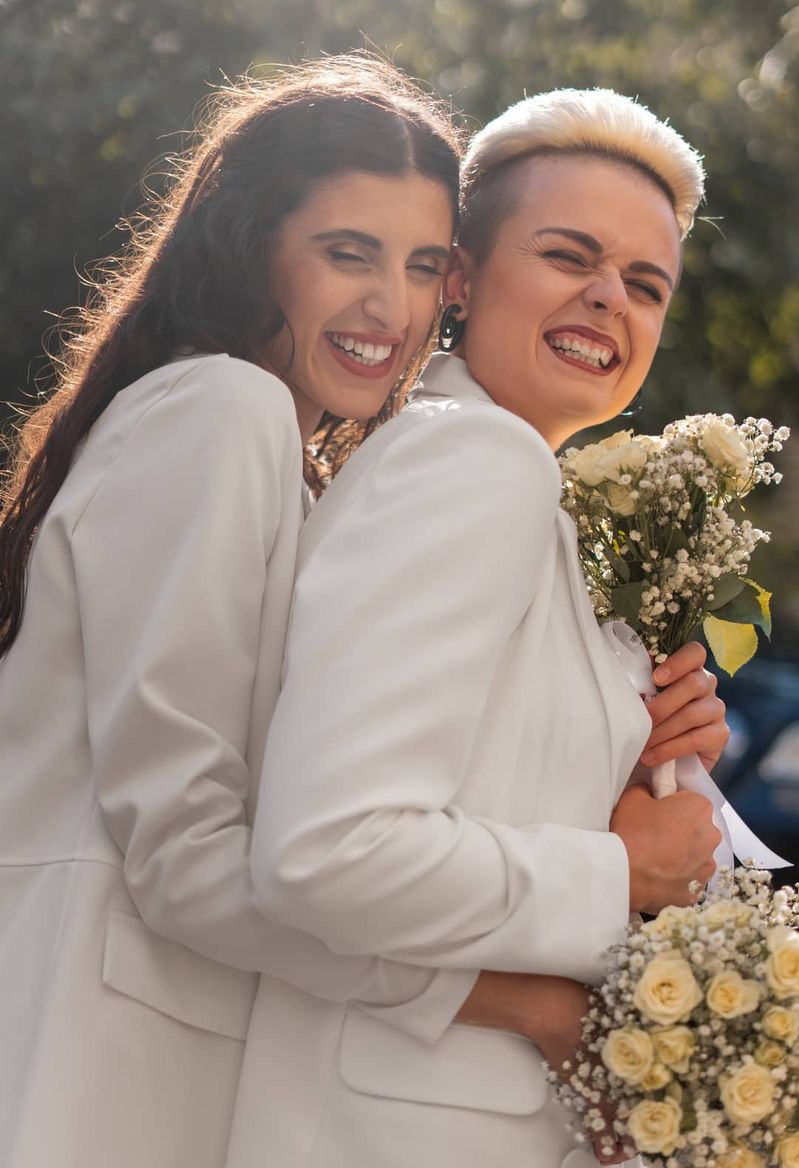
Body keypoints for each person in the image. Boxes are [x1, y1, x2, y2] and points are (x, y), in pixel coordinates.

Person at [0, 58, 724, 1168]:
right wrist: (532, 979)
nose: (389, 305)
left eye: (418, 263)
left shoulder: (300, 459)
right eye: (347, 253)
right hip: (98, 1053)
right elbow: (214, 857)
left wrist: (638, 743)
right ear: (255, 245)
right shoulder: (223, 410)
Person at [225, 88, 719, 1168]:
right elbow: (327, 854)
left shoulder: (501, 476)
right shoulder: (473, 464)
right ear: (459, 279)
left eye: (644, 284)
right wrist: (616, 871)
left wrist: (649, 756)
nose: (606, 298)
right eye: (566, 255)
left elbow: (473, 785)